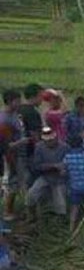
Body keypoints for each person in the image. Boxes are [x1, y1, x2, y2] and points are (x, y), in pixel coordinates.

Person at [27, 126, 68, 220]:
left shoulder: (65, 147)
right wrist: (53, 166)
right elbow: (36, 166)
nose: (50, 142)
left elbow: (69, 162)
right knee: (31, 194)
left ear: (55, 138)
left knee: (60, 204)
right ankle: (31, 216)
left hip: (59, 180)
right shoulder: (39, 147)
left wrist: (65, 169)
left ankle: (60, 223)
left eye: (52, 140)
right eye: (47, 141)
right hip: (45, 177)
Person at [0, 90, 28, 221]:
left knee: (16, 184)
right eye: (17, 101)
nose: (20, 103)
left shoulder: (15, 114)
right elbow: (6, 145)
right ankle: (7, 212)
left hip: (20, 155)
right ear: (10, 101)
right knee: (13, 184)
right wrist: (22, 142)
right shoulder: (4, 120)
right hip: (12, 157)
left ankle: (11, 210)